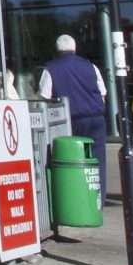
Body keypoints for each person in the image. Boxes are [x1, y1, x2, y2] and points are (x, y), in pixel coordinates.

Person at [37, 33, 111, 198]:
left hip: (70, 120)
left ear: (57, 50)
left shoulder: (51, 68)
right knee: (97, 157)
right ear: (75, 48)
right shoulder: (91, 66)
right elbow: (103, 94)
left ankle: (77, 195)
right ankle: (98, 196)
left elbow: (44, 97)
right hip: (95, 117)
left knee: (72, 159)